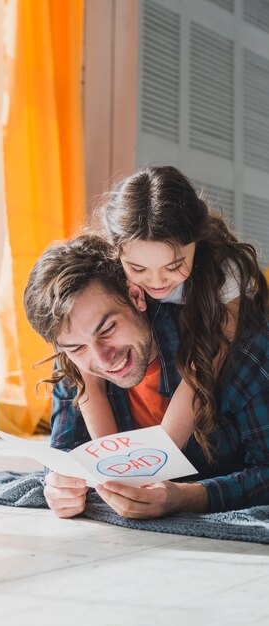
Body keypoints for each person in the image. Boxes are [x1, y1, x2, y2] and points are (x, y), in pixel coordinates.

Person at [23, 234, 269, 519]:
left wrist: (186, 498)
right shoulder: (78, 362)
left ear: (136, 296)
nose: (103, 359)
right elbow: (64, 455)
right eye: (76, 347)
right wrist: (60, 486)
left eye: (108, 329)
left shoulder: (241, 346)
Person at [78, 166, 269, 460]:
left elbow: (202, 371)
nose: (156, 282)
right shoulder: (109, 270)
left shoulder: (225, 273)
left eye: (173, 266)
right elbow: (89, 382)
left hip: (219, 347)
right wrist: (111, 462)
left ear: (197, 242)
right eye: (138, 269)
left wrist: (157, 458)